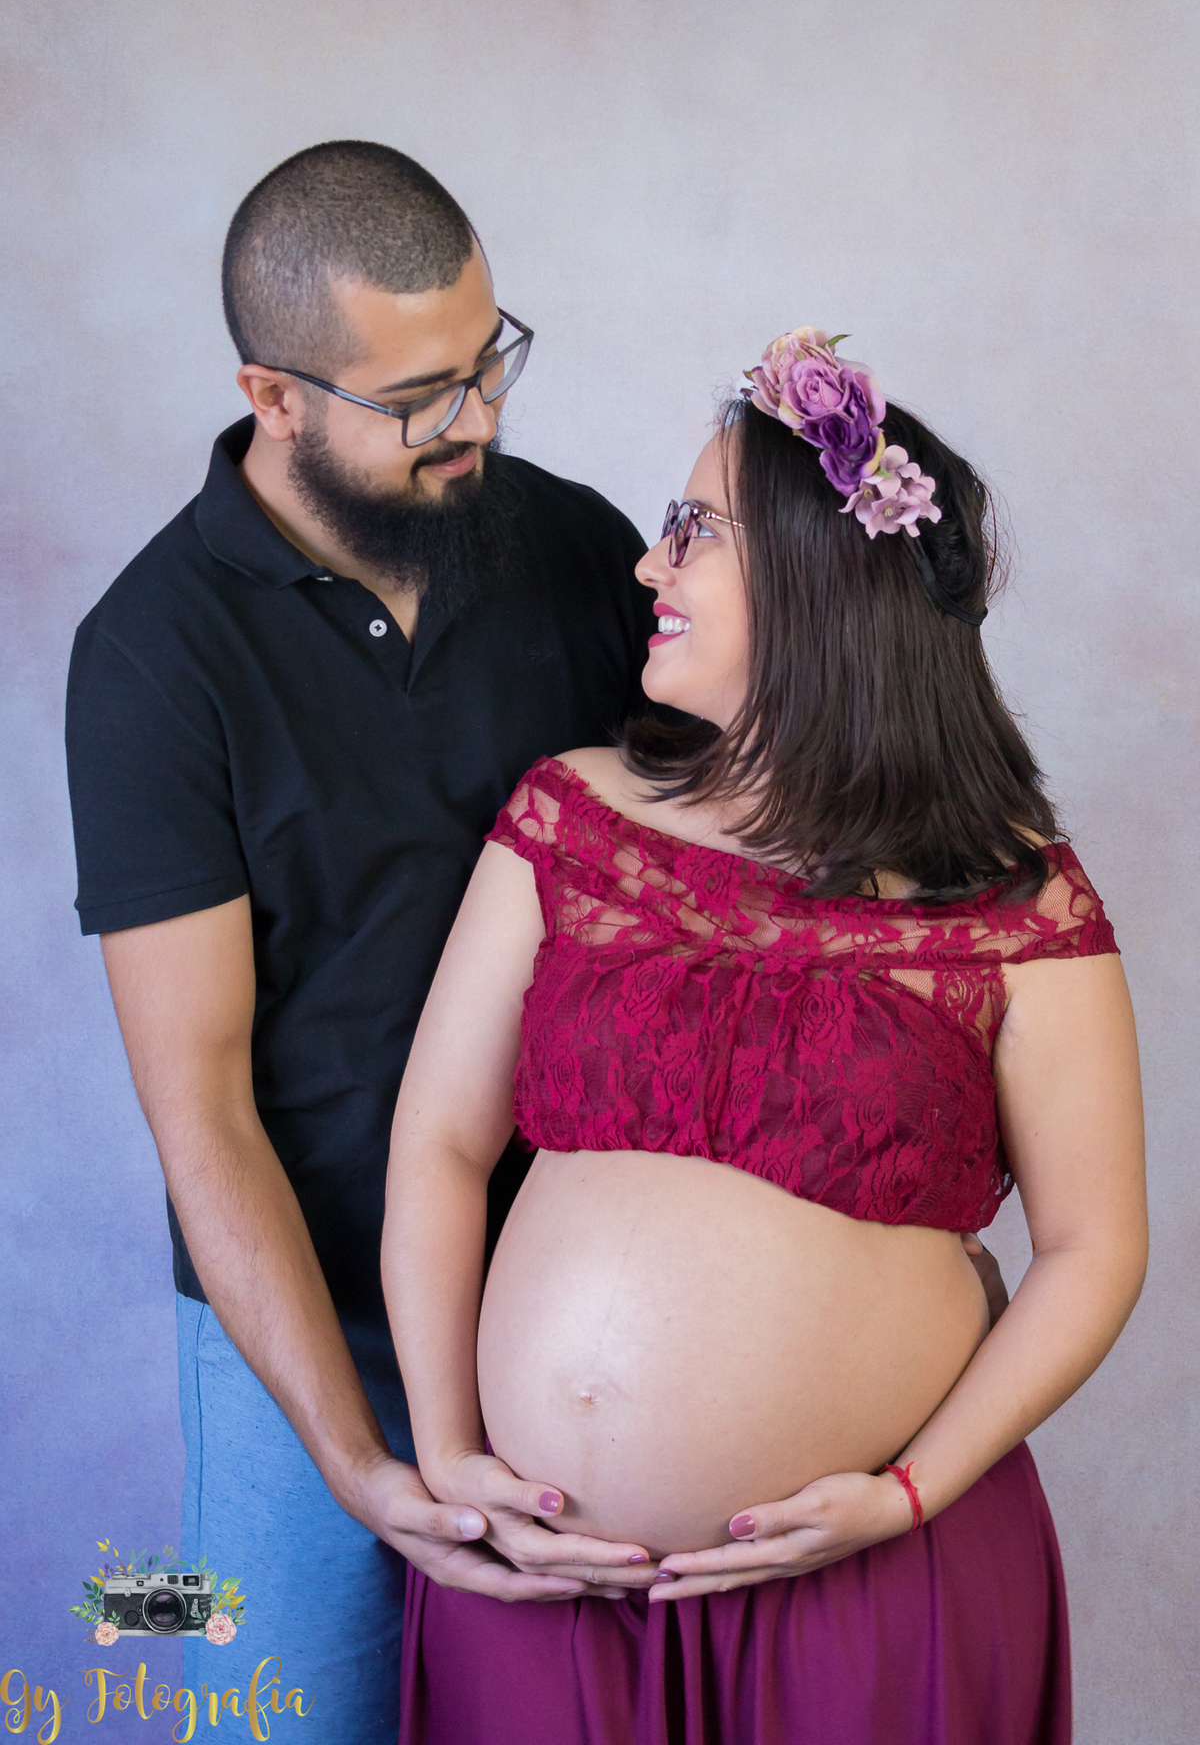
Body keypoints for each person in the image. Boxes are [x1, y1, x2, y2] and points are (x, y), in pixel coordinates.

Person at [383, 328, 1148, 1744]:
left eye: (694, 531)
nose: (647, 568)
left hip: (861, 1588)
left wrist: (908, 1494)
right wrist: (444, 1449)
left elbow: (1095, 1248)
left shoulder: (1019, 904)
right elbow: (437, 1141)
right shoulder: (570, 815)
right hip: (541, 1578)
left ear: (819, 581)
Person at [64, 141, 664, 1742]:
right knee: (263, 1700)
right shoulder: (150, 658)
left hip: (566, 1306)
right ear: (273, 396)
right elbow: (201, 1113)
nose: (477, 421)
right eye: (418, 399)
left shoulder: (579, 549)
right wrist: (353, 1460)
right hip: (310, 1325)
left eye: (489, 362)